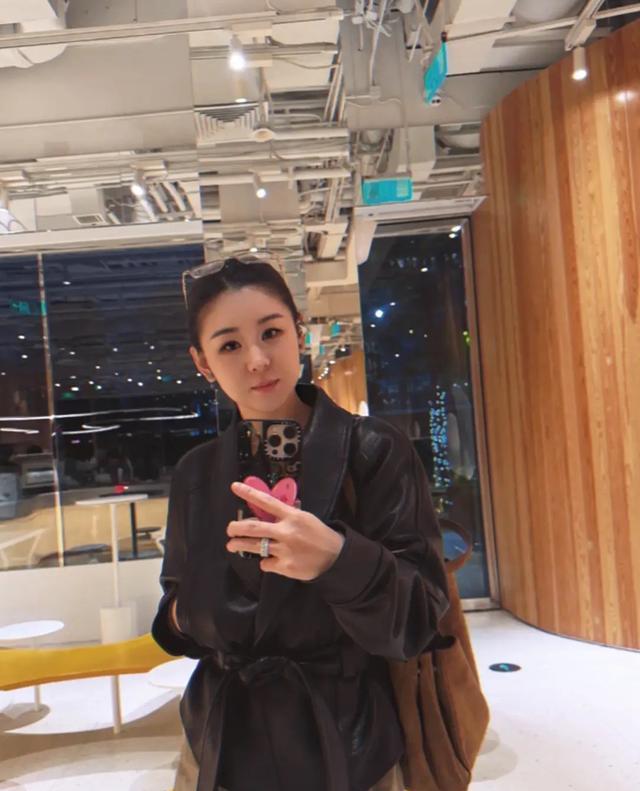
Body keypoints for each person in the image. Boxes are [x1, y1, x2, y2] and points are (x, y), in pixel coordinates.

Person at [151, 257, 449, 791]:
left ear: (301, 332)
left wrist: (338, 560)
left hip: (347, 743)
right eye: (229, 345)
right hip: (222, 741)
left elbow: (419, 618)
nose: (257, 360)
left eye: (271, 332)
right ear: (202, 362)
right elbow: (174, 616)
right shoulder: (197, 473)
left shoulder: (373, 450)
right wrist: (192, 608)